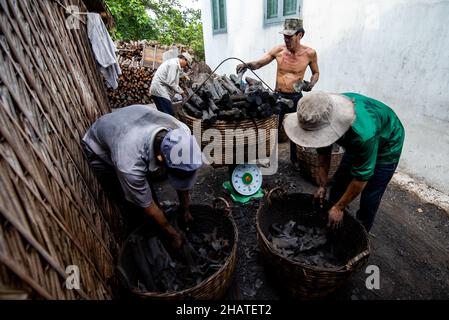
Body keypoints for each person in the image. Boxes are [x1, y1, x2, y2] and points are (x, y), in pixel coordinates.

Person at [82, 105, 203, 248]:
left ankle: (159, 218)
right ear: (160, 158)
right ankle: (144, 234)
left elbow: (183, 172)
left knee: (144, 184)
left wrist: (185, 209)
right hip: (98, 147)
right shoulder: (128, 163)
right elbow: (146, 203)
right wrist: (173, 233)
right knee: (130, 200)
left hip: (130, 125)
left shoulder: (181, 131)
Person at [283, 92, 405, 232]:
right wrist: (322, 185)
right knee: (339, 182)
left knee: (370, 197)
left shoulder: (362, 135)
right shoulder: (321, 111)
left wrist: (339, 207)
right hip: (358, 137)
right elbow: (323, 154)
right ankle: (333, 222)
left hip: (388, 143)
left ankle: (360, 233)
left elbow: (361, 177)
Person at [236, 18, 319, 168]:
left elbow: (316, 73)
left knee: (296, 130)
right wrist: (247, 65)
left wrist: (311, 84)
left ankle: (295, 160)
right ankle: (267, 158)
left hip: (296, 97)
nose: (286, 40)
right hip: (278, 97)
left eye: (290, 36)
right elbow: (259, 63)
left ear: (300, 35)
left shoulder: (310, 53)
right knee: (272, 129)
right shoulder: (279, 50)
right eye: (284, 36)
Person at [150, 52, 193, 116]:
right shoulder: (174, 64)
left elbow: (180, 73)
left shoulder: (175, 64)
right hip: (160, 90)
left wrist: (186, 76)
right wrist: (182, 93)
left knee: (164, 115)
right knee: (169, 116)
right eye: (186, 64)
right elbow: (171, 82)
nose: (185, 66)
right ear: (184, 59)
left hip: (159, 90)